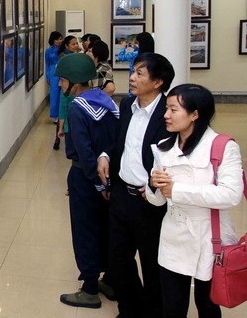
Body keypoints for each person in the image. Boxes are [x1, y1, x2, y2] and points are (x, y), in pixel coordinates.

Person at [146, 84, 244, 318]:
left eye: (173, 109)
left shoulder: (223, 147)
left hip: (210, 238)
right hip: (173, 236)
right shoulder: (162, 148)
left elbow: (231, 194)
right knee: (172, 306)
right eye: (167, 109)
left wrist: (176, 190)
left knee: (208, 306)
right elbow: (158, 202)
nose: (166, 115)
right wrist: (153, 186)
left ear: (195, 114)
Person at [97, 52, 175, 318]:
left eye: (140, 73)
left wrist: (154, 189)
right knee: (118, 260)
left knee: (153, 264)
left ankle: (153, 312)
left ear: (158, 82)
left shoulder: (169, 114)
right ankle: (129, 310)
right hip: (121, 195)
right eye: (133, 71)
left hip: (150, 203)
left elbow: (176, 159)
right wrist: (106, 155)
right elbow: (122, 142)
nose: (131, 77)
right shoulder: (129, 104)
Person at [57, 53, 119, 309]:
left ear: (73, 81)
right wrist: (106, 185)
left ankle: (90, 289)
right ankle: (111, 280)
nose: (60, 85)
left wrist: (95, 184)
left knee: (85, 231)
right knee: (107, 228)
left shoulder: (76, 109)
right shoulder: (108, 101)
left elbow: (84, 151)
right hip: (110, 175)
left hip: (86, 177)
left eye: (62, 80)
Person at [55, 36, 81, 150]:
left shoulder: (73, 56)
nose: (76, 46)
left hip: (72, 88)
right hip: (68, 88)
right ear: (66, 45)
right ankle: (60, 136)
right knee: (64, 111)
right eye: (73, 44)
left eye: (77, 43)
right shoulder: (64, 57)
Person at [45, 31, 63, 125]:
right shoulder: (48, 51)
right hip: (53, 73)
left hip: (63, 72)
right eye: (57, 39)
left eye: (60, 39)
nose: (59, 41)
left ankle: (63, 115)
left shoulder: (63, 49)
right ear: (53, 40)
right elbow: (47, 64)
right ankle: (55, 116)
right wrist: (47, 76)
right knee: (54, 94)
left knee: (63, 94)